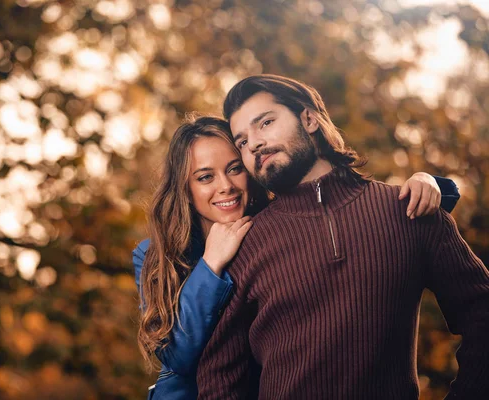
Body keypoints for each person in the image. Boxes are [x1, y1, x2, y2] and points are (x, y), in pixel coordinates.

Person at [195, 75, 488, 400]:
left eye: (265, 123)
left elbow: (482, 313)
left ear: (309, 119)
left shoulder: (409, 211)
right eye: (241, 141)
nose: (254, 144)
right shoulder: (245, 245)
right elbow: (217, 375)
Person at [133, 116, 459, 400]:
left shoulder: (277, 229)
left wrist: (430, 185)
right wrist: (211, 265)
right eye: (205, 177)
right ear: (185, 189)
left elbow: (341, 204)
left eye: (235, 169)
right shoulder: (155, 256)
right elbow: (178, 354)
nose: (226, 186)